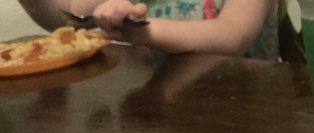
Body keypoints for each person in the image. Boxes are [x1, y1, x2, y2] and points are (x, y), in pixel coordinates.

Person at [17, 0, 280, 59]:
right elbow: (70, 14)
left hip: (240, 113)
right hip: (159, 113)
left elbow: (234, 34)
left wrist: (146, 32)